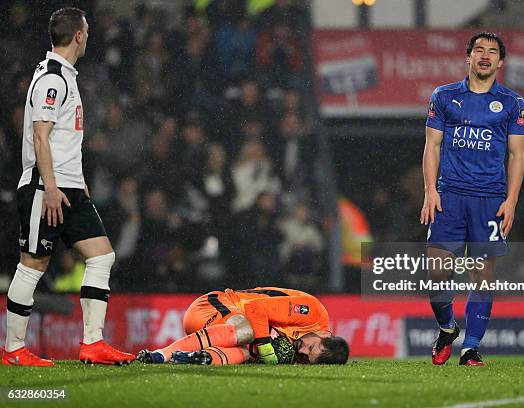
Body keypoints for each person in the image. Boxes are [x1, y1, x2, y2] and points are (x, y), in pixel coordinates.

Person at [1, 8, 135, 366]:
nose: (89, 36)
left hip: (70, 188)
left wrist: (78, 182)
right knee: (31, 265)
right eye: (87, 30)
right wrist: (51, 186)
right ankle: (13, 350)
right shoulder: (52, 78)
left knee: (102, 256)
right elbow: (40, 136)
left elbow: (61, 139)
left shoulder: (65, 77)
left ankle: (92, 343)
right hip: (47, 189)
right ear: (78, 35)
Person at [420, 32, 524, 366]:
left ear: (500, 61)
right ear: (468, 57)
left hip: (490, 199)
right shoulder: (444, 95)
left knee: (481, 276)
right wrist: (430, 191)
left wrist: (511, 201)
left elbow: (517, 155)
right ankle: (447, 327)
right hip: (449, 196)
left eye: (492, 52)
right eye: (478, 50)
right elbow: (432, 146)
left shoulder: (512, 103)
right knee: (437, 272)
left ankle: (471, 348)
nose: (485, 56)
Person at [137, 287, 349, 365]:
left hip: (219, 335)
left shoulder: (302, 348)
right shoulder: (310, 311)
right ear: (325, 334)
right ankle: (161, 354)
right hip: (213, 306)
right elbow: (255, 307)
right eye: (310, 347)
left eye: (306, 357)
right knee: (251, 336)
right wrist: (266, 347)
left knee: (249, 354)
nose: (301, 350)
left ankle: (200, 357)